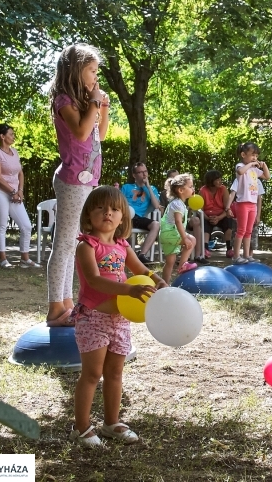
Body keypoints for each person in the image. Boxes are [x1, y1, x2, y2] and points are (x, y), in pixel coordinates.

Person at [69, 186, 166, 446]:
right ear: (89, 216)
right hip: (93, 319)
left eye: (114, 209)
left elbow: (140, 268)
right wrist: (129, 289)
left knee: (115, 373)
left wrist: (157, 279)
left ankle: (111, 423)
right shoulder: (86, 246)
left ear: (122, 218)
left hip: (120, 321)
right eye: (100, 208)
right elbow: (94, 281)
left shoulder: (123, 245)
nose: (107, 213)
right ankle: (80, 428)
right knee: (92, 374)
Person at [47, 43, 109, 327]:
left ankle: (67, 303)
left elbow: (101, 134)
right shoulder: (64, 101)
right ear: (75, 70)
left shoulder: (86, 102)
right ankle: (54, 309)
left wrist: (102, 107)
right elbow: (82, 133)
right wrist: (95, 103)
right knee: (64, 245)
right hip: (72, 180)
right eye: (92, 71)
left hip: (86, 181)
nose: (96, 76)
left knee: (73, 244)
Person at [0, 123, 39, 269]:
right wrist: (12, 192)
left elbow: (20, 173)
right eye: (11, 134)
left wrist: (20, 190)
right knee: (2, 225)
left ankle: (24, 259)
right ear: (2, 137)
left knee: (26, 226)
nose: (13, 136)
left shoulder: (14, 152)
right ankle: (3, 259)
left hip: (15, 194)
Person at [225, 142, 271, 264]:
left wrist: (264, 165)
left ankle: (246, 255)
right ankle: (236, 256)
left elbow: (267, 177)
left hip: (252, 204)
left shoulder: (255, 170)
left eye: (256, 156)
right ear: (243, 154)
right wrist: (251, 164)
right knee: (241, 230)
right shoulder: (240, 166)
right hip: (242, 204)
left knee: (249, 231)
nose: (255, 158)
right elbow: (240, 172)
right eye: (252, 155)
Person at [160, 173, 198, 282]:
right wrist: (184, 238)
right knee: (192, 240)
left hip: (166, 234)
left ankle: (164, 284)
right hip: (170, 233)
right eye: (190, 187)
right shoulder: (178, 204)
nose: (193, 189)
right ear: (181, 190)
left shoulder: (178, 203)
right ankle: (183, 265)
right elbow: (178, 221)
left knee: (170, 262)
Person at [121, 163, 161, 263]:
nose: (144, 174)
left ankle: (142, 255)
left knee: (156, 224)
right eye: (140, 172)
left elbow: (156, 206)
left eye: (145, 171)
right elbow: (119, 203)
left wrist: (147, 187)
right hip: (125, 216)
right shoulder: (126, 187)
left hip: (138, 218)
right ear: (134, 175)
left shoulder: (152, 189)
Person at [200, 170, 235, 258]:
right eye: (217, 179)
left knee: (228, 220)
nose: (220, 181)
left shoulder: (223, 189)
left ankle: (229, 248)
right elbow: (200, 209)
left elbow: (227, 208)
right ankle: (205, 249)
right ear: (211, 181)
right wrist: (208, 218)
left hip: (222, 215)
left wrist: (219, 218)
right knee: (204, 223)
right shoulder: (203, 190)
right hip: (207, 216)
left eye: (220, 179)